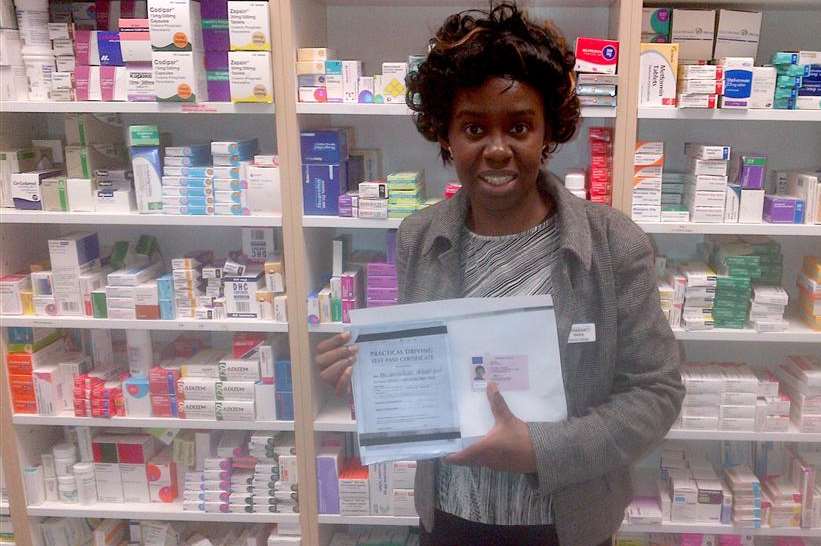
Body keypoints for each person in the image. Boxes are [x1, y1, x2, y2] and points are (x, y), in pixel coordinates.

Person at [315, 4, 684, 545]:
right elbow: (431, 381)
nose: (495, 149)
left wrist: (541, 450)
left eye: (518, 126)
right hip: (449, 518)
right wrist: (368, 380)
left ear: (547, 133)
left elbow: (655, 393)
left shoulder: (612, 245)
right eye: (473, 127)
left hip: (566, 524)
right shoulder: (421, 236)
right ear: (445, 135)